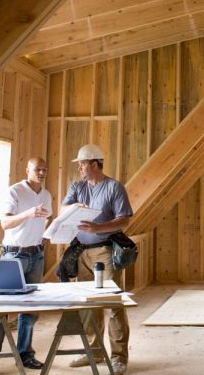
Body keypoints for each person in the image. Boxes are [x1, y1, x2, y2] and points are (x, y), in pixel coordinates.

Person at [62, 144, 132, 375]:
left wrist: (98, 227)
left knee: (112, 304)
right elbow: (64, 208)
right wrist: (73, 207)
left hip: (104, 250)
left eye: (82, 164)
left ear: (94, 164)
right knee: (89, 304)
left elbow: (124, 221)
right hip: (81, 251)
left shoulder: (114, 187)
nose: (79, 168)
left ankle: (118, 357)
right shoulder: (78, 186)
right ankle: (94, 351)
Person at [0, 157, 52, 373]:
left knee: (30, 309)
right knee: (1, 311)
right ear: (28, 170)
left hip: (36, 256)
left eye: (44, 170)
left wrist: (48, 233)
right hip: (14, 256)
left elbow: (44, 221)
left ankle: (25, 354)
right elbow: (5, 222)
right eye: (37, 169)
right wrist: (28, 214)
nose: (41, 172)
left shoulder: (46, 195)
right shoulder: (15, 191)